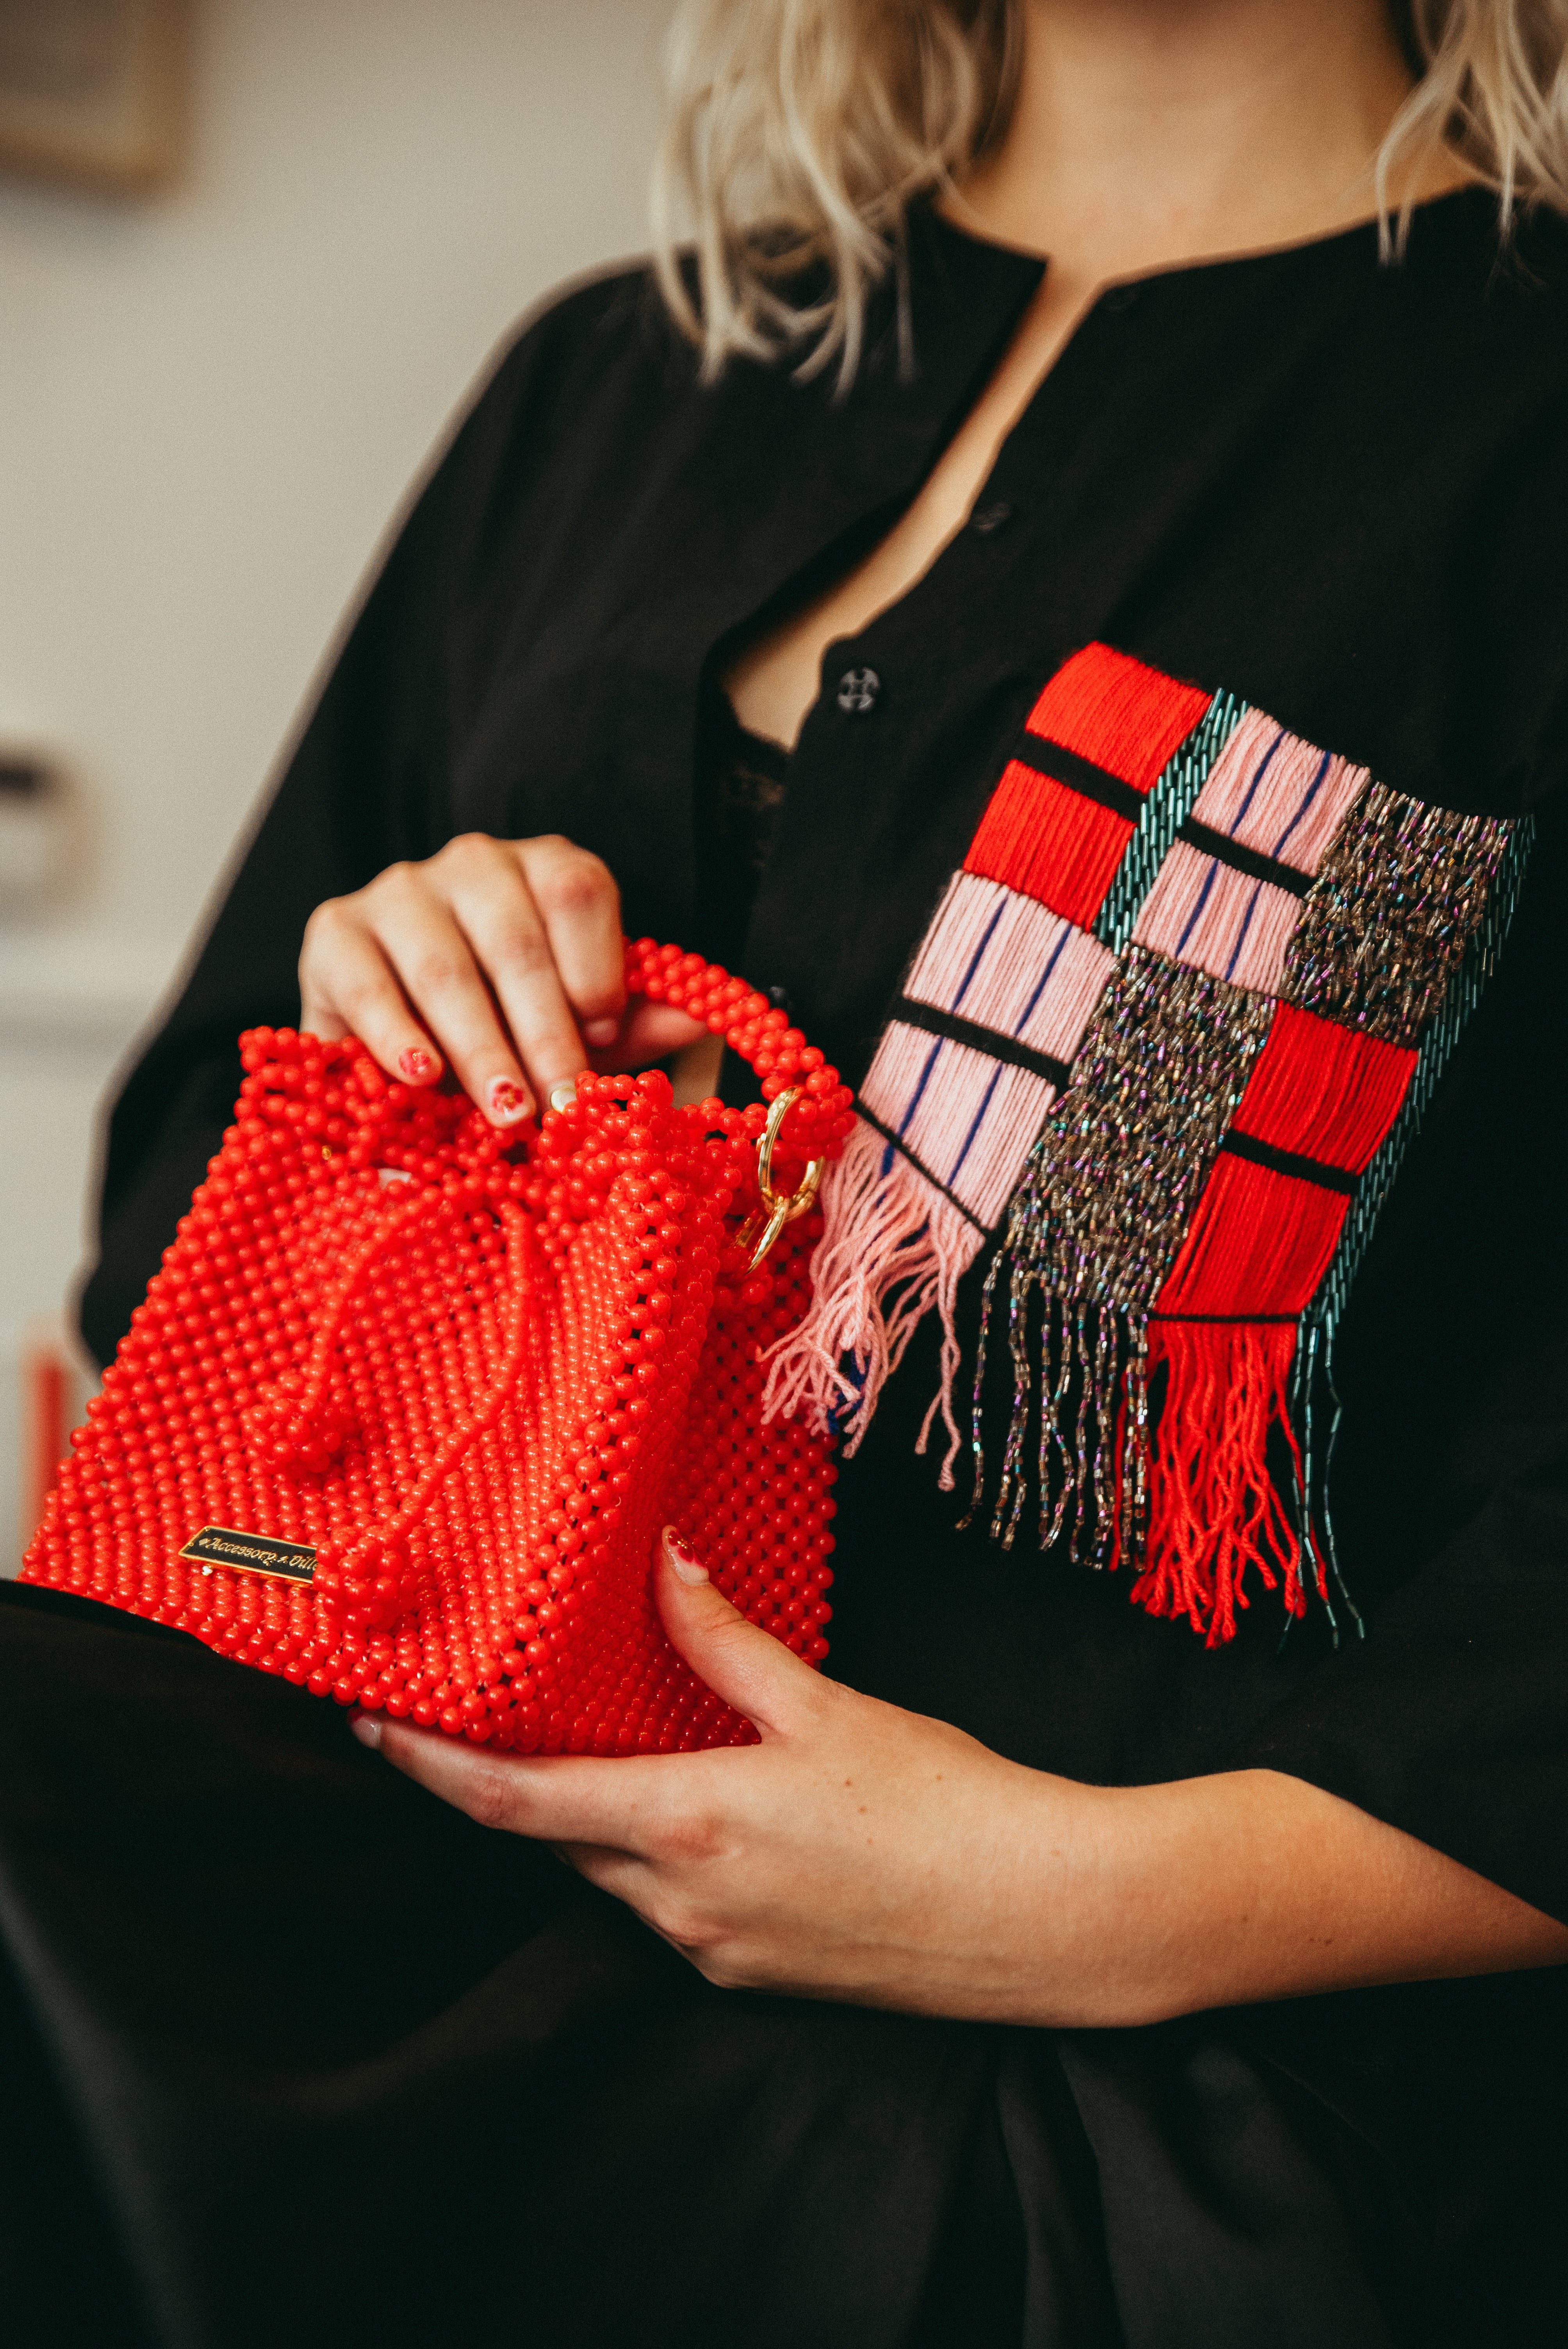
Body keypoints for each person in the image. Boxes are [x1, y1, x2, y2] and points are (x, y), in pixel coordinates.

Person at [5, 1, 1567, 2342]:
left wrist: (1083, 1898)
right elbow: (170, 1243)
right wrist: (398, 1006)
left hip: (1108, 2089)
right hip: (383, 1865)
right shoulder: (618, 381)